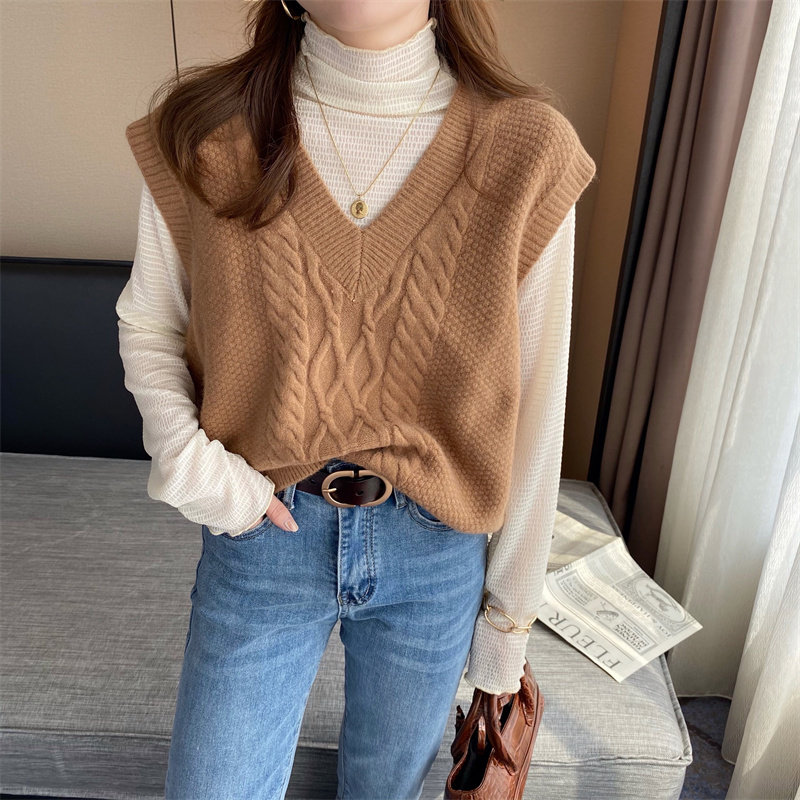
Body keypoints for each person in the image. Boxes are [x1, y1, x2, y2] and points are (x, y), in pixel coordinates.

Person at [116, 0, 595, 797]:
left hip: (436, 551)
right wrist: (200, 474)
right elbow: (150, 321)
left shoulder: (527, 148)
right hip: (263, 532)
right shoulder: (205, 131)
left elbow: (539, 406)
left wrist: (507, 627)